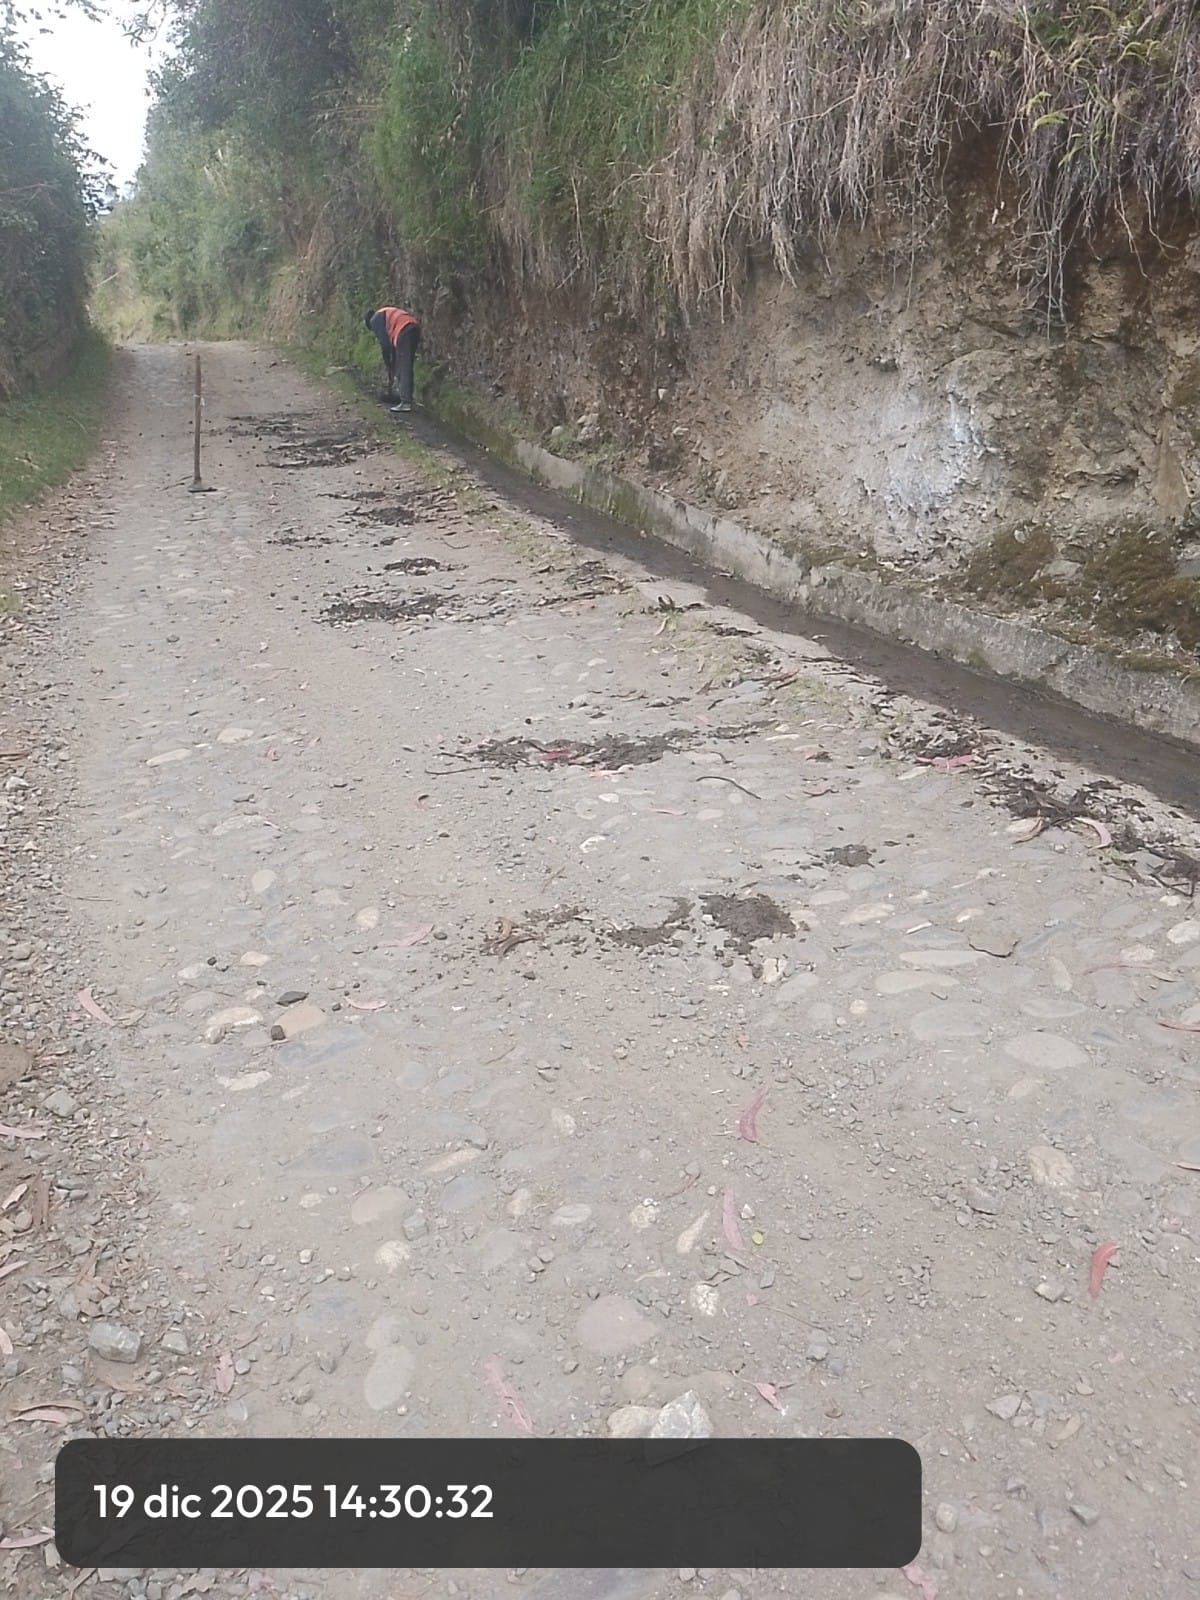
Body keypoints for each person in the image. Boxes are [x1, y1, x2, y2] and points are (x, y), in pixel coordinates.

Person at [365, 306, 421, 411]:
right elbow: (391, 347)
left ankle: (405, 402)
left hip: (403, 330)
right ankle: (406, 396)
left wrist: (387, 362)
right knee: (405, 364)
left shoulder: (374, 319)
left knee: (404, 367)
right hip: (413, 327)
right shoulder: (385, 313)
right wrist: (392, 365)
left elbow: (385, 344)